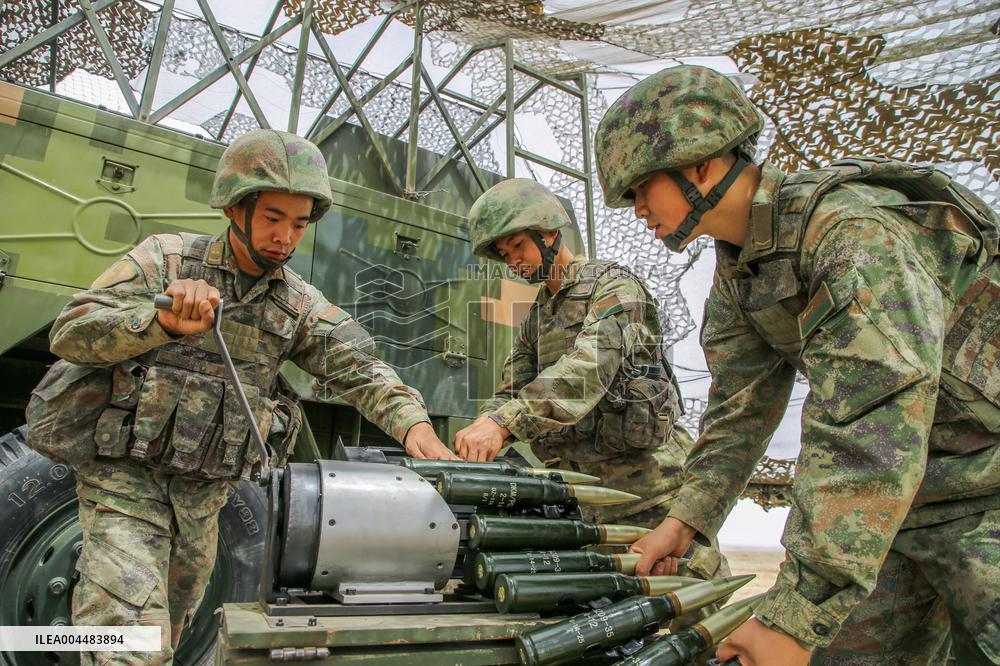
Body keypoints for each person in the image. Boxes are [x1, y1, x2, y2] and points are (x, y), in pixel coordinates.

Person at [594, 64, 1000, 665]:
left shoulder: (851, 235)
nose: (636, 211)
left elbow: (872, 425)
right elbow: (740, 410)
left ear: (700, 164)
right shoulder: (739, 274)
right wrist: (686, 520)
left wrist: (793, 614)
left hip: (984, 490)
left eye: (639, 189)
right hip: (892, 511)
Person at [48, 129, 456, 664]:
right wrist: (160, 321)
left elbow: (362, 369)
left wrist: (414, 426)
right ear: (236, 209)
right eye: (272, 218)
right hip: (126, 485)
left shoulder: (297, 304)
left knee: (169, 634)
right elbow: (71, 331)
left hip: (203, 502)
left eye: (299, 224)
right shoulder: (166, 261)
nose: (285, 237)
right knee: (128, 643)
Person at [454, 178, 727, 585]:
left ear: (548, 233)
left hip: (652, 499)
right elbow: (510, 389)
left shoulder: (615, 287)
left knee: (693, 614)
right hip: (589, 507)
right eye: (504, 254)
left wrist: (503, 423)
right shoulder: (539, 315)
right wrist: (480, 432)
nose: (513, 261)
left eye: (517, 247)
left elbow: (588, 370)